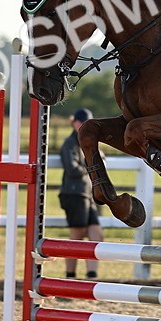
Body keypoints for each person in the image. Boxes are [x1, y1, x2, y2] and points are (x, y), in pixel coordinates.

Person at [58, 107, 105, 279]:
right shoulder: (70, 143)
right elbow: (72, 169)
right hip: (74, 194)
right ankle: (70, 274)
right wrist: (92, 167)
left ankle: (91, 273)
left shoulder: (88, 142)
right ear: (75, 123)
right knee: (76, 236)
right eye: (83, 123)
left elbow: (101, 158)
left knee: (96, 233)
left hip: (87, 193)